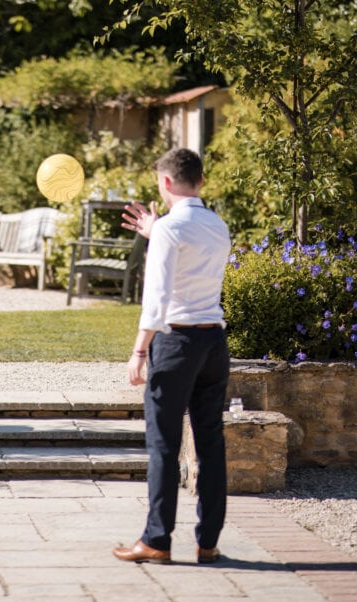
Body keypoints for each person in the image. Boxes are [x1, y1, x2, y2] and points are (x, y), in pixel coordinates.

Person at [114, 148, 232, 565]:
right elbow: (191, 260)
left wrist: (138, 350)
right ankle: (209, 542)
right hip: (214, 343)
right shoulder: (217, 225)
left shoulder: (168, 229)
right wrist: (157, 232)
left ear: (165, 183)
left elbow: (158, 297)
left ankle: (157, 540)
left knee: (163, 444)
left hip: (176, 343)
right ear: (200, 181)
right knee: (210, 442)